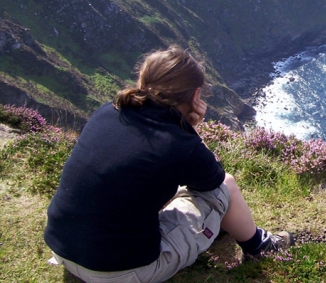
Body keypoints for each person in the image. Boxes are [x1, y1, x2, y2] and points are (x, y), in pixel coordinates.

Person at [44, 46, 293, 282]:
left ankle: (224, 228)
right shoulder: (179, 143)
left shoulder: (107, 111)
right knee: (226, 186)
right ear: (195, 95)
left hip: (63, 250)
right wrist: (190, 129)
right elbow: (213, 178)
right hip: (120, 273)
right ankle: (260, 245)